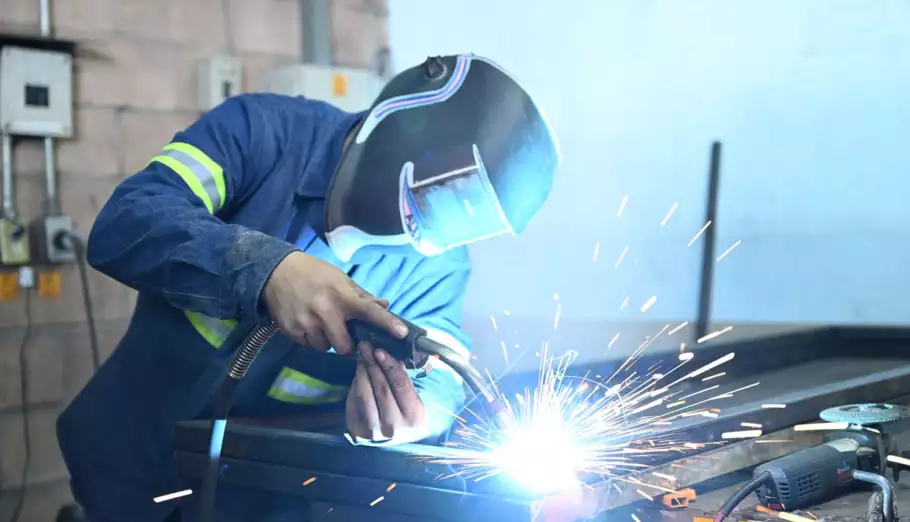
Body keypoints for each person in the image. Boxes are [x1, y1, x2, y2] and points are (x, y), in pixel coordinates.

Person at [56, 54, 560, 522]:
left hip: (258, 500)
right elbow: (126, 220)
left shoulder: (436, 263)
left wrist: (417, 417)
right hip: (122, 465)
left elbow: (443, 369)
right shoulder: (261, 133)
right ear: (405, 125)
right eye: (422, 201)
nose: (412, 233)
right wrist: (269, 270)